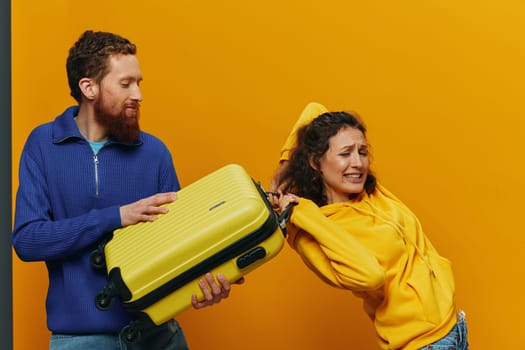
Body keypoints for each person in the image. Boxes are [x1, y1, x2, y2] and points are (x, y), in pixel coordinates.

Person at [12, 30, 242, 350]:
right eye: (125, 84)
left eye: (139, 83)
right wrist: (117, 217)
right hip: (80, 341)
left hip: (159, 337)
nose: (138, 94)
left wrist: (208, 281)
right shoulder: (42, 145)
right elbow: (27, 240)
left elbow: (179, 245)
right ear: (88, 87)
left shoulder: (155, 153)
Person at [269, 102, 469, 349]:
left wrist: (284, 168)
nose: (358, 163)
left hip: (454, 329)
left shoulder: (371, 194)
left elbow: (314, 108)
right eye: (345, 154)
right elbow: (370, 277)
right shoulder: (309, 231)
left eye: (362, 152)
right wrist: (303, 213)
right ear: (315, 161)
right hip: (422, 345)